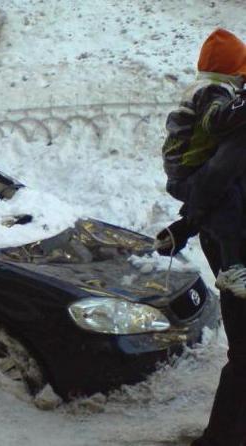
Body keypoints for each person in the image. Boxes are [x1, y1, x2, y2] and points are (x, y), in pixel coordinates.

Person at [157, 28, 246, 446]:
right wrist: (190, 222)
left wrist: (185, 225)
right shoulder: (224, 109)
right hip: (236, 253)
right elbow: (216, 182)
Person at [159, 28, 246, 298]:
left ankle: (188, 230)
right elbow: (215, 125)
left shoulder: (204, 88)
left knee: (225, 199)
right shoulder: (214, 91)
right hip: (190, 172)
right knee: (228, 201)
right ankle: (232, 267)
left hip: (188, 174)